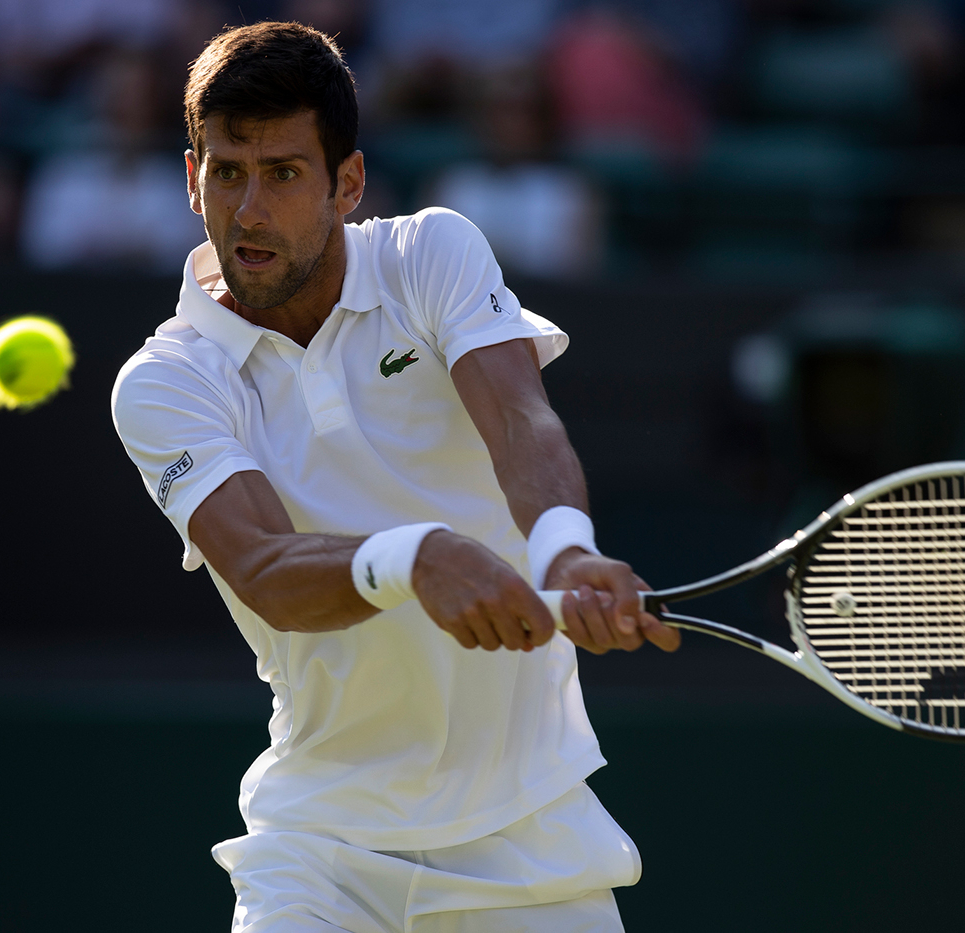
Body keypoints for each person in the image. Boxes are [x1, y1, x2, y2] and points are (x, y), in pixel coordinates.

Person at [111, 21, 678, 932]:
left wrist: (566, 551)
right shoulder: (165, 381)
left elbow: (519, 422)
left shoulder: (431, 255)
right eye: (226, 171)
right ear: (191, 179)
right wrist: (418, 557)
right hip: (321, 856)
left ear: (348, 183)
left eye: (285, 173)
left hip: (531, 842)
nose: (248, 211)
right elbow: (262, 566)